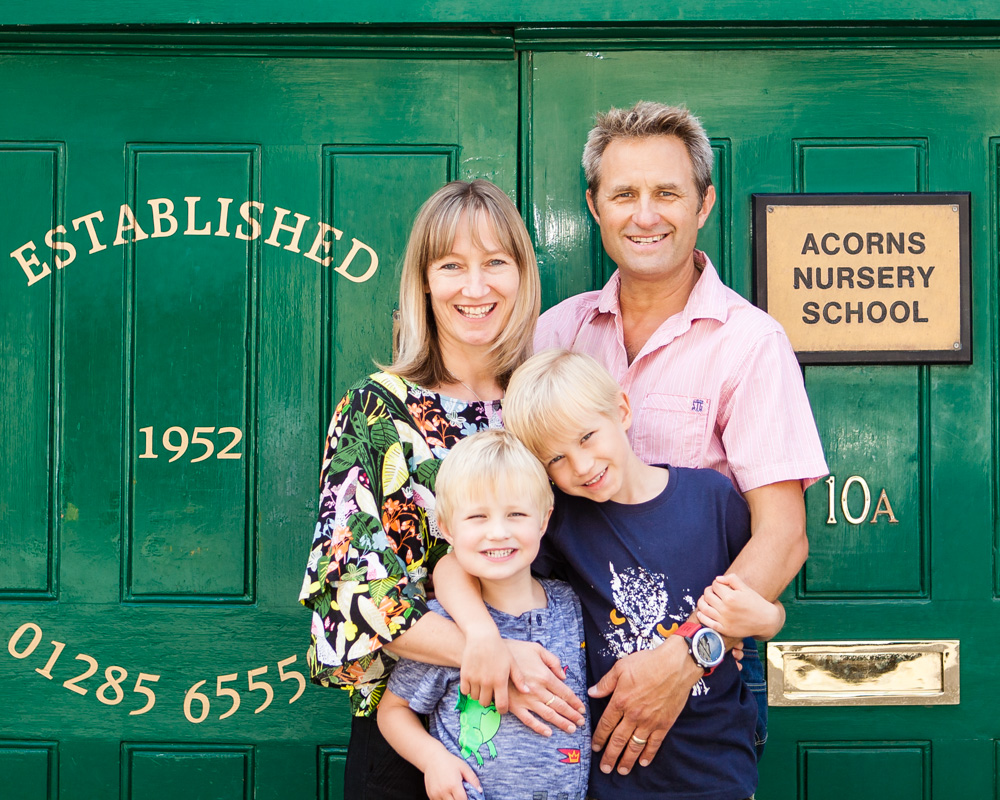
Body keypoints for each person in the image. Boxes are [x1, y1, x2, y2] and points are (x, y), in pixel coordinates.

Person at [532, 101, 829, 771]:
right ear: (594, 206)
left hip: (705, 683)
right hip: (570, 681)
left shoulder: (750, 344)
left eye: (667, 193)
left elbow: (783, 538)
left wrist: (683, 657)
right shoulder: (554, 336)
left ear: (703, 203)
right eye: (624, 194)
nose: (645, 214)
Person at [299, 180, 584, 800]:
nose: (475, 288)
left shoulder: (546, 409)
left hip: (552, 738)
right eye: (452, 265)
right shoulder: (375, 412)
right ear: (424, 282)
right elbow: (349, 597)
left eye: (494, 264)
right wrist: (493, 654)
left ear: (522, 275)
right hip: (412, 743)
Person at [438, 349, 785, 800]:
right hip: (611, 778)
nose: (581, 466)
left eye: (587, 437)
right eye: (556, 459)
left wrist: (768, 621)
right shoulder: (561, 523)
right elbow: (454, 566)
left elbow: (761, 610)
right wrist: (482, 636)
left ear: (621, 410)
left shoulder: (713, 499)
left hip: (717, 769)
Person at [378, 430, 590, 800]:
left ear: (543, 520)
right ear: (445, 527)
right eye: (477, 516)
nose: (498, 532)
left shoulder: (572, 607)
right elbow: (393, 710)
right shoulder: (444, 624)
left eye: (516, 514)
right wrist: (433, 760)